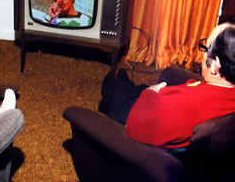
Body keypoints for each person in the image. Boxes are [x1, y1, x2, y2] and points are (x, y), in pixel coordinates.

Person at [98, 22, 235, 150]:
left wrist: (151, 93)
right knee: (136, 87)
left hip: (142, 111)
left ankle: (110, 91)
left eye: (205, 48)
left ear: (215, 65)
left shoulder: (185, 105)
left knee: (117, 90)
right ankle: (125, 83)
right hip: (171, 97)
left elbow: (136, 127)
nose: (203, 54)